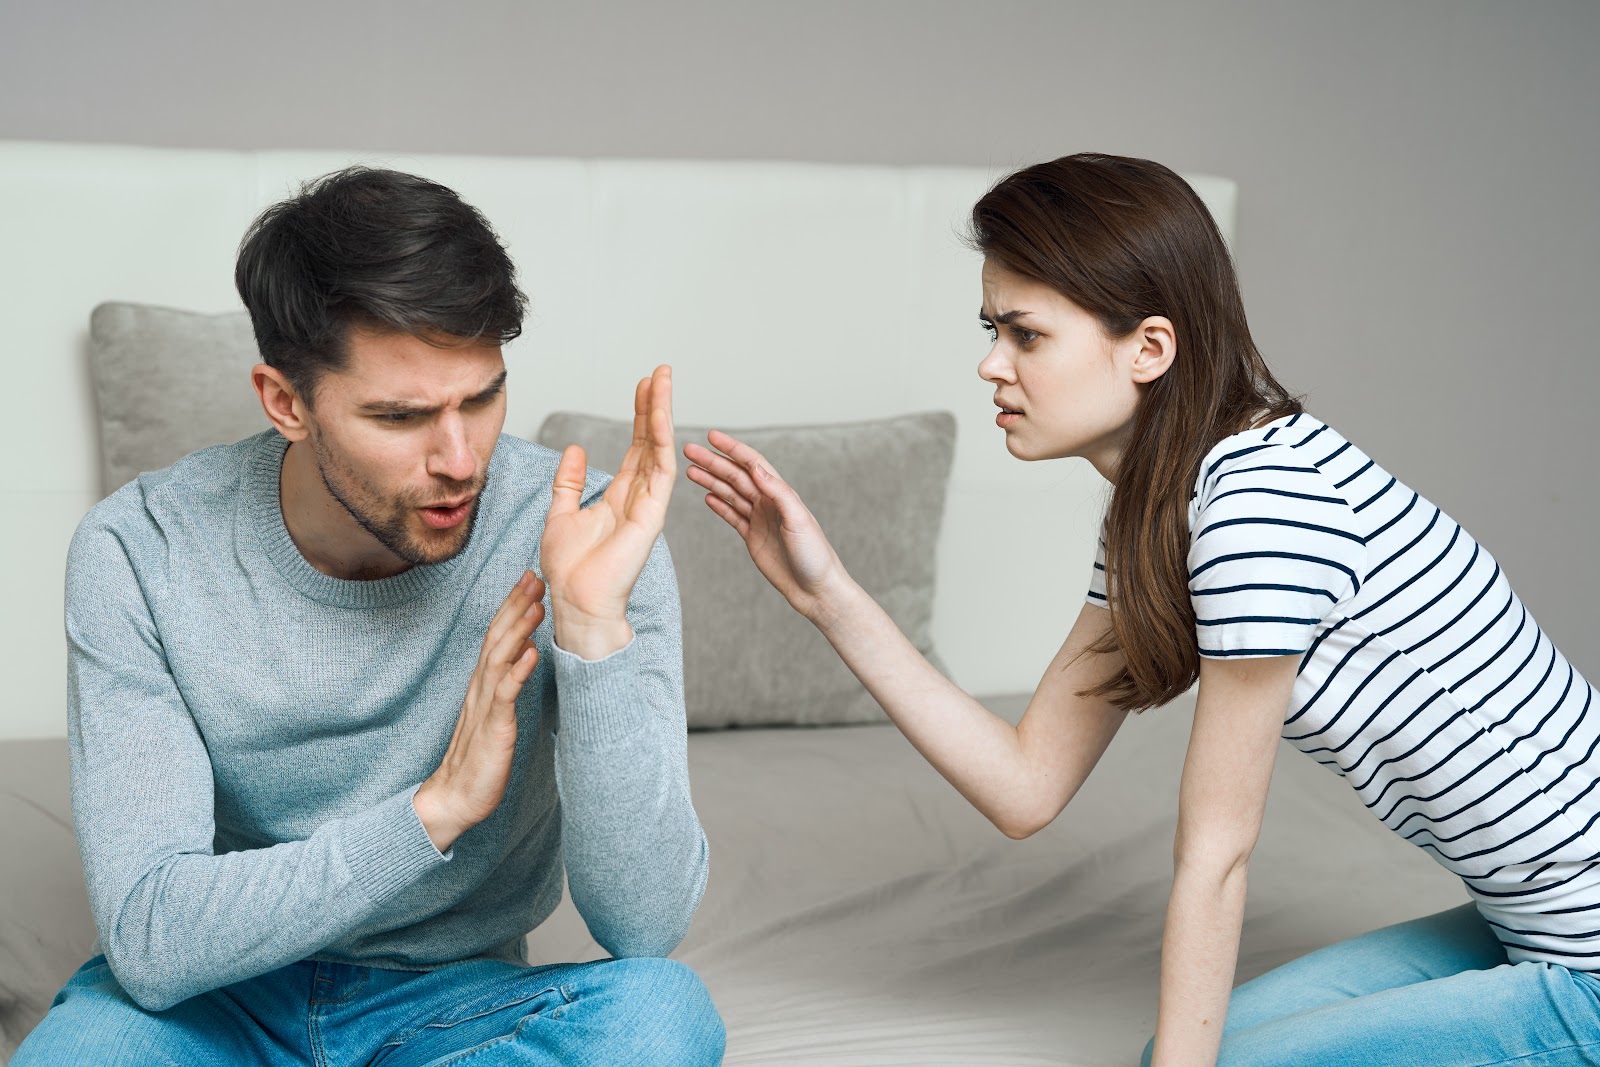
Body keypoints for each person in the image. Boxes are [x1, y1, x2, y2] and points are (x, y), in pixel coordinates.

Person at [683, 153, 1600, 1067]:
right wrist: (826, 593)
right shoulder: (1161, 512)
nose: (989, 363)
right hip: (1527, 921)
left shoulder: (1256, 510)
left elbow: (1217, 854)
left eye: (1025, 335)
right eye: (990, 328)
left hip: (1589, 955)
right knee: (1185, 1043)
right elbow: (1025, 785)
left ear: (1150, 348)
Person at [14, 167, 724, 1066]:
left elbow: (645, 924)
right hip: (215, 1004)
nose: (461, 459)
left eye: (482, 397)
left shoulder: (583, 538)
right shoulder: (140, 549)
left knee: (660, 1017)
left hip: (462, 1000)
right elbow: (152, 944)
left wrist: (592, 632)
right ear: (285, 401)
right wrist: (430, 813)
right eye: (401, 416)